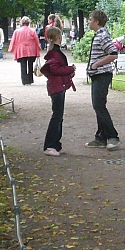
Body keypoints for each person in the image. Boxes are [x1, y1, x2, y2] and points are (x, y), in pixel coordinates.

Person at [86, 9, 120, 150]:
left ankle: (113, 137)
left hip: (102, 74)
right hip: (97, 75)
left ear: (96, 21)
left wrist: (96, 64)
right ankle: (100, 138)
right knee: (98, 105)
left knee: (99, 105)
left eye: (90, 19)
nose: (88, 22)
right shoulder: (99, 35)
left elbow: (113, 54)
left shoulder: (102, 36)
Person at [41, 26, 76, 157]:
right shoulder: (55, 53)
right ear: (59, 37)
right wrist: (70, 69)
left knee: (59, 116)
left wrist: (68, 73)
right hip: (57, 87)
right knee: (57, 116)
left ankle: (56, 144)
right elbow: (55, 69)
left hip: (58, 86)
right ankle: (49, 145)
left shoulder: (54, 52)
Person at [8, 17, 41, 85]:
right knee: (30, 65)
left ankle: (25, 81)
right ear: (28, 23)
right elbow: (37, 40)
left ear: (21, 23)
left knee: (23, 65)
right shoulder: (32, 31)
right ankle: (30, 80)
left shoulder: (17, 31)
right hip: (31, 50)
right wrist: (39, 48)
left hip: (21, 50)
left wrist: (10, 49)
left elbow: (13, 41)